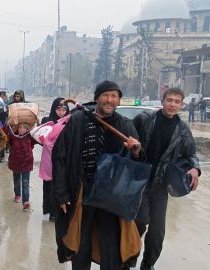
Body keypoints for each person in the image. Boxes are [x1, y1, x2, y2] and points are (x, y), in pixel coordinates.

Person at [52, 80, 142, 269]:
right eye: (105, 95)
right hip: (82, 193)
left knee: (111, 248)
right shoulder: (77, 121)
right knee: (80, 244)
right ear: (97, 98)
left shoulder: (126, 125)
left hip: (111, 199)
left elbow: (137, 166)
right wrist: (61, 193)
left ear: (119, 101)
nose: (109, 100)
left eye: (114, 96)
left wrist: (135, 151)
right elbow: (60, 156)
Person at [133, 88, 201, 270]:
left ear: (181, 104)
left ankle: (148, 265)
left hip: (160, 186)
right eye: (169, 100)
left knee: (157, 232)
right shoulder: (144, 119)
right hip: (138, 182)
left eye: (177, 101)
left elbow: (191, 153)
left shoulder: (183, 130)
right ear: (162, 101)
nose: (172, 104)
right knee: (139, 222)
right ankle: (129, 257)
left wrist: (195, 167)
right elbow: (128, 138)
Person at [40, 97, 69, 221]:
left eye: (64, 109)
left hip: (64, 159)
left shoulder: (71, 121)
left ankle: (62, 209)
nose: (61, 112)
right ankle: (51, 211)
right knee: (49, 185)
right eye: (58, 109)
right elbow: (39, 137)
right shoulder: (47, 121)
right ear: (54, 109)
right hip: (49, 159)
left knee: (62, 183)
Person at [5, 122, 36, 210]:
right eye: (20, 128)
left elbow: (33, 144)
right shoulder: (13, 136)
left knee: (25, 183)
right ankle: (17, 194)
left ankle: (26, 201)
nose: (22, 130)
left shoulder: (30, 136)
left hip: (27, 163)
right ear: (17, 128)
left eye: (24, 128)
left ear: (28, 129)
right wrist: (9, 125)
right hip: (15, 162)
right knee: (17, 180)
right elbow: (8, 140)